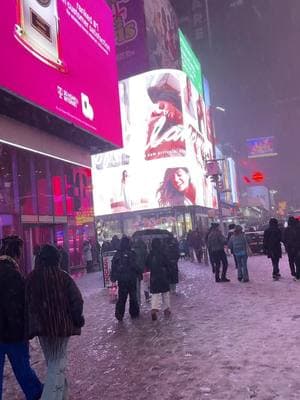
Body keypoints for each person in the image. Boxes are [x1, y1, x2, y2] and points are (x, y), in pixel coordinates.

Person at [26, 244, 85, 400]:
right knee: (57, 364)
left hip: (42, 329)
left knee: (53, 363)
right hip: (61, 327)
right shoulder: (63, 276)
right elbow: (77, 300)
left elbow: (27, 304)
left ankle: (62, 395)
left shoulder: (31, 278)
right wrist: (77, 318)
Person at [0, 235, 43, 400]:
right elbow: (24, 305)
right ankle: (36, 394)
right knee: (22, 368)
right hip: (14, 333)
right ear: (16, 253)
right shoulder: (15, 275)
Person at [110, 237, 140, 321]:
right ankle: (134, 313)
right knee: (133, 297)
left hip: (122, 280)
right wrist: (139, 272)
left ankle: (119, 314)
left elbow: (113, 267)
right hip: (131, 279)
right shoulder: (132, 253)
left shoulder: (117, 254)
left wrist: (113, 277)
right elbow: (136, 266)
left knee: (122, 298)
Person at [146, 238, 171, 321]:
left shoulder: (150, 254)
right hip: (163, 276)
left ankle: (154, 309)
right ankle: (166, 308)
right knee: (165, 293)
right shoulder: (163, 253)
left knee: (155, 294)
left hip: (154, 276)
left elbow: (147, 265)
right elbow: (168, 264)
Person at [132, 239, 148, 304]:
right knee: (145, 284)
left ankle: (138, 300)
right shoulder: (144, 251)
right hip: (144, 269)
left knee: (137, 286)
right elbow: (147, 260)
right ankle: (147, 296)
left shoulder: (133, 251)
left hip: (136, 271)